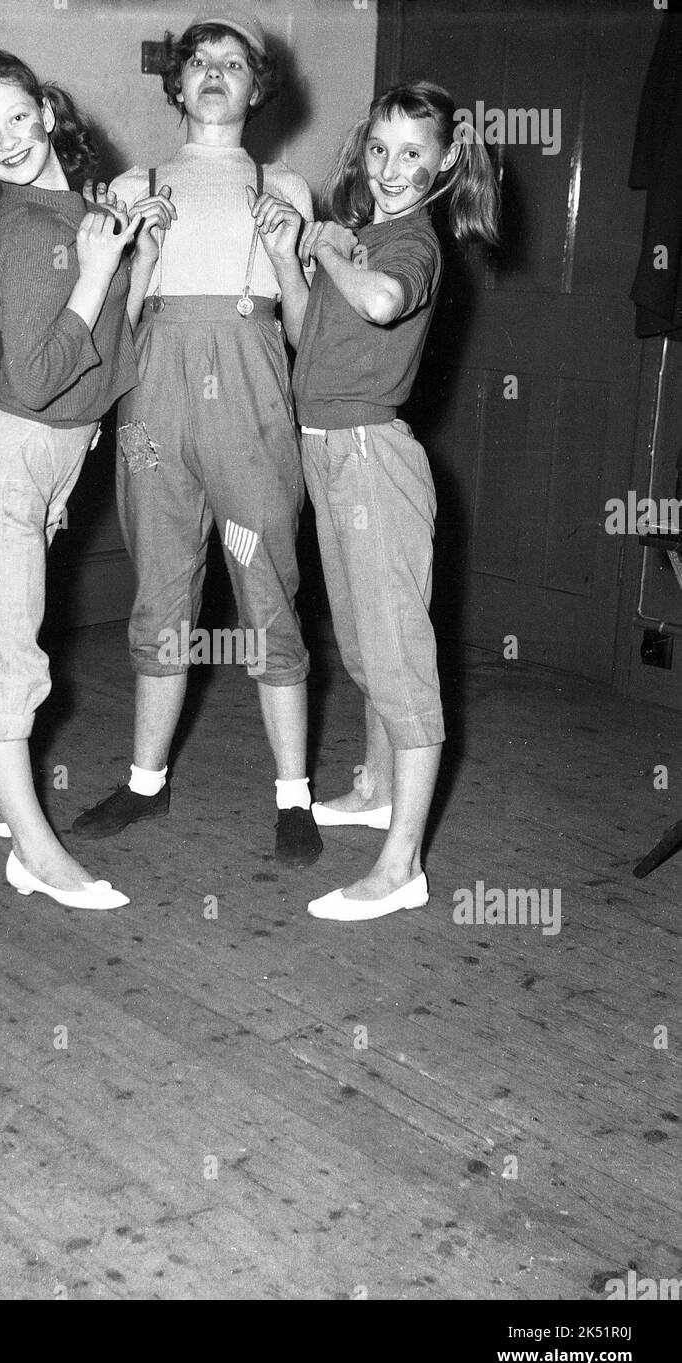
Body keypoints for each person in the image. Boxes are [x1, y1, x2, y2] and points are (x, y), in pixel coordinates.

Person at [72, 11, 324, 868]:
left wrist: (287, 258)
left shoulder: (286, 187)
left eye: (234, 62)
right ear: (176, 85)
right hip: (154, 401)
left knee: (267, 583)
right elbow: (116, 321)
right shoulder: (133, 181)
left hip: (252, 398)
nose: (214, 71)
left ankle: (293, 796)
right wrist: (138, 255)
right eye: (199, 61)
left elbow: (304, 329)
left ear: (258, 89)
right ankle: (146, 782)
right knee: (162, 584)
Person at [0, 50, 168, 911]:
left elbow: (108, 352)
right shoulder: (35, 232)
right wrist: (100, 272)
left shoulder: (77, 215)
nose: (6, 141)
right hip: (11, 455)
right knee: (7, 661)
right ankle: (33, 849)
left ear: (48, 111)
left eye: (16, 117)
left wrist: (128, 250)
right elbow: (34, 379)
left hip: (38, 460)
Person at [248, 80, 499, 918]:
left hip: (371, 462)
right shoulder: (364, 235)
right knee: (362, 645)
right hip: (327, 453)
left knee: (399, 662)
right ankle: (376, 788)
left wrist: (329, 253)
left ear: (444, 162)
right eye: (381, 151)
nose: (392, 169)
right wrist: (294, 254)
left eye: (413, 155)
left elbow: (383, 301)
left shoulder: (412, 244)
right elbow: (305, 334)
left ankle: (402, 869)